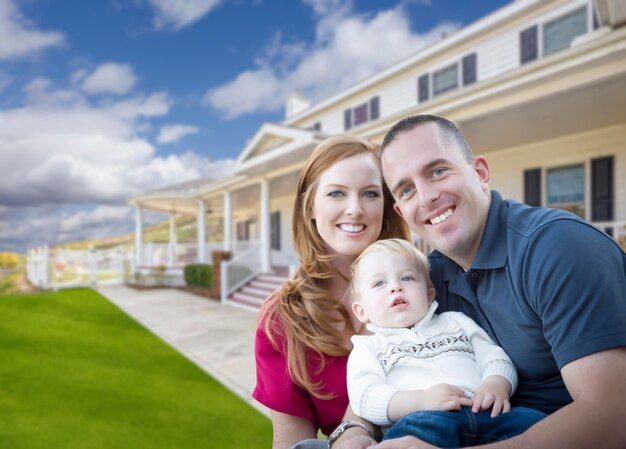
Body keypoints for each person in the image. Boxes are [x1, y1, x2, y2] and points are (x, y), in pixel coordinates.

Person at [371, 114, 626, 449]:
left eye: (437, 171)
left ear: (480, 174)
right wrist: (354, 429)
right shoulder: (428, 280)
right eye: (407, 189)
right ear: (402, 212)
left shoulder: (558, 247)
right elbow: (379, 355)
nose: (426, 197)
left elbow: (612, 418)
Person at [253, 135, 410, 449]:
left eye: (369, 193)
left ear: (385, 205)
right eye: (337, 193)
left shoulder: (425, 282)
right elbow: (292, 442)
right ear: (310, 206)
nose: (355, 209)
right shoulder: (282, 319)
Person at [346, 238, 545, 448]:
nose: (396, 287)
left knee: (535, 422)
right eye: (379, 283)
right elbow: (365, 396)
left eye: (407, 278)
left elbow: (494, 355)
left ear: (430, 295)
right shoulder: (368, 347)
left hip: (486, 411)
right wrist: (421, 400)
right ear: (361, 311)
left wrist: (496, 383)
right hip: (423, 420)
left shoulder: (456, 321)